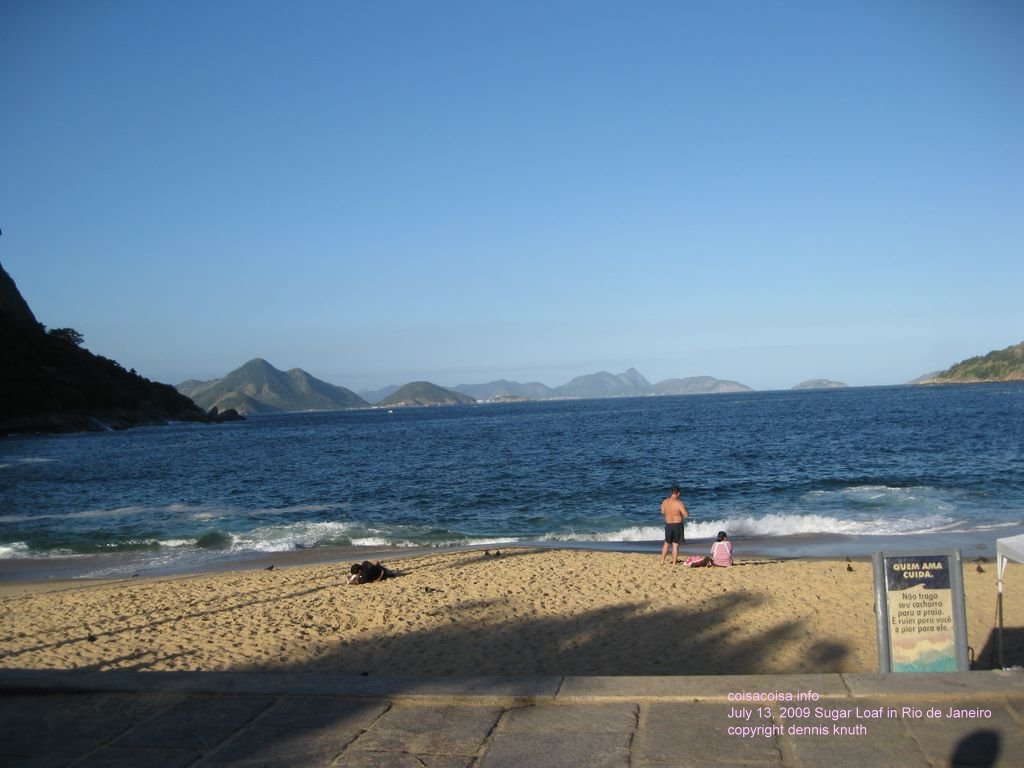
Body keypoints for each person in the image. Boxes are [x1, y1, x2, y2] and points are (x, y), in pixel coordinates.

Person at [660, 484, 689, 564]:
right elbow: (686, 515)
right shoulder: (679, 503)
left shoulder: (664, 502)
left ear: (671, 492)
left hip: (668, 524)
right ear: (678, 493)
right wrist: (686, 509)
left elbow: (662, 512)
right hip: (677, 525)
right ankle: (674, 562)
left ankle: (662, 561)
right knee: (675, 545)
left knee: (666, 543)